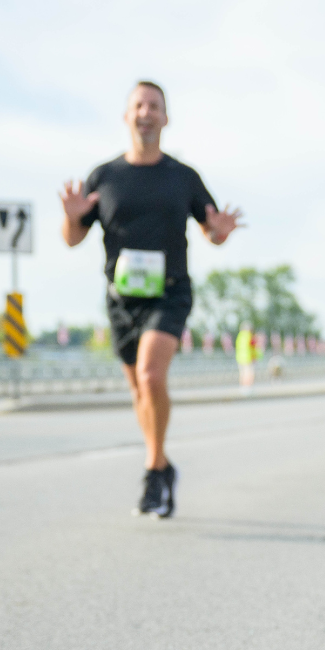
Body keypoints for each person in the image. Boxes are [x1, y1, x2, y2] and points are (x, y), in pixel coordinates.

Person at [59, 81, 243, 517]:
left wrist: (221, 232)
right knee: (140, 392)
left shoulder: (183, 177)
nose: (146, 112)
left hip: (170, 291)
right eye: (138, 105)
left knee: (150, 375)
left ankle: (152, 470)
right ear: (127, 116)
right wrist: (70, 219)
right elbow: (73, 239)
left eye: (154, 106)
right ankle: (162, 465)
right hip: (122, 299)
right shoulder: (104, 176)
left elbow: (211, 230)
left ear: (165, 117)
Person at [234, 321, 258, 389]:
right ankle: (248, 387)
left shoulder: (239, 336)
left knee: (242, 373)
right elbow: (253, 347)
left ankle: (242, 387)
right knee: (249, 373)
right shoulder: (249, 336)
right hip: (248, 358)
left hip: (240, 358)